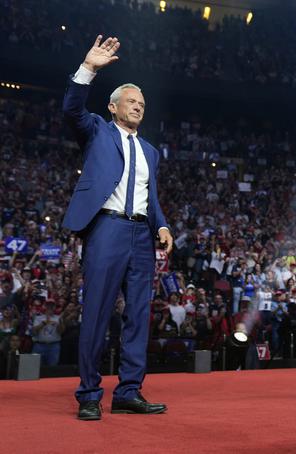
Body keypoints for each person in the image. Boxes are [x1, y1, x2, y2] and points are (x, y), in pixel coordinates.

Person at [62, 35, 173, 420]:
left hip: (141, 235)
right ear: (113, 107)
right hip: (106, 229)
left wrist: (162, 225)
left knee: (139, 314)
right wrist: (89, 68)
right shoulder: (96, 130)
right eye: (131, 101)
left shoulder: (151, 152)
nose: (138, 106)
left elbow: (149, 196)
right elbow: (72, 108)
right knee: (96, 312)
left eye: (142, 103)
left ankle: (129, 391)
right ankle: (89, 394)